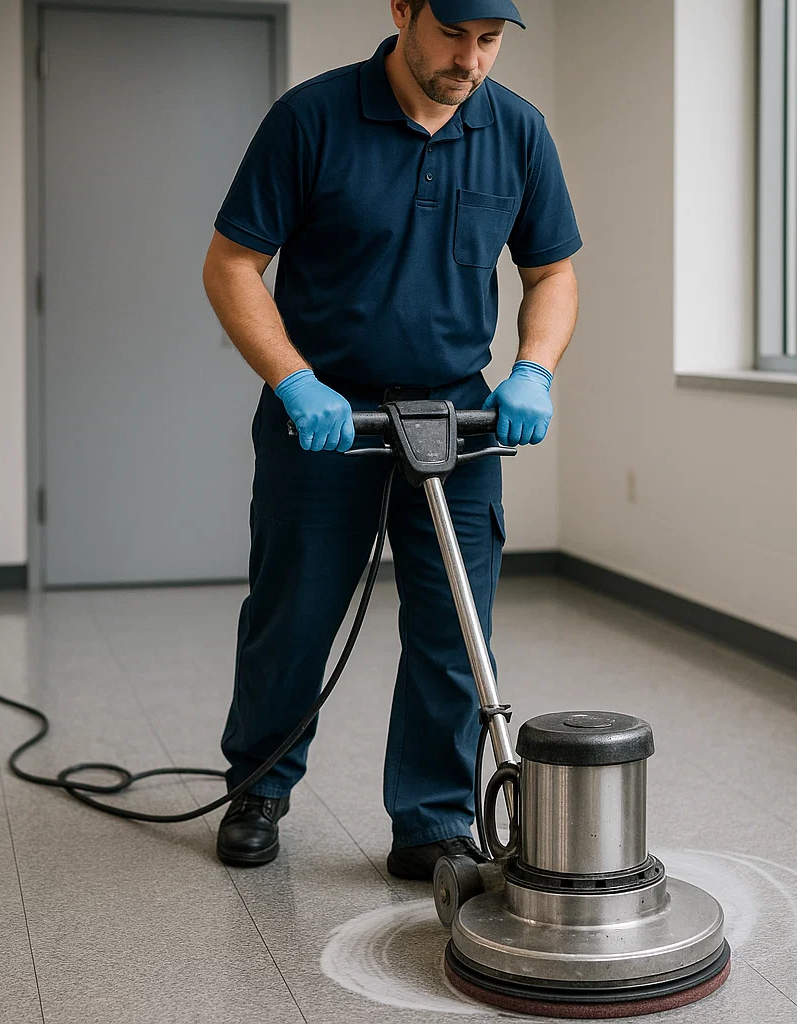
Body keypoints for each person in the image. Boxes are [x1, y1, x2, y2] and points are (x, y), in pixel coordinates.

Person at [202, 0, 580, 876]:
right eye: (454, 34)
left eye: (488, 42)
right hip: (325, 412)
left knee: (456, 624)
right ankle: (259, 783)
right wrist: (293, 379)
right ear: (403, 11)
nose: (471, 61)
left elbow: (551, 269)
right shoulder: (312, 117)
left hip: (457, 413)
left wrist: (535, 367)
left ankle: (434, 821)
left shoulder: (516, 129)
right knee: (294, 613)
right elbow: (231, 264)